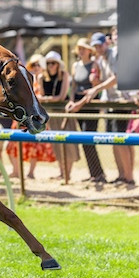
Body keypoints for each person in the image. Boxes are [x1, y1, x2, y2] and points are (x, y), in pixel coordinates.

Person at [83, 29, 136, 186]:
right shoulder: (101, 60)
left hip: (121, 102)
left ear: (106, 43)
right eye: (96, 46)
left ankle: (128, 177)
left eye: (100, 45)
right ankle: (122, 175)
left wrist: (96, 89)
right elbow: (106, 82)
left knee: (121, 141)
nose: (98, 49)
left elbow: (117, 78)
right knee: (114, 141)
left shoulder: (115, 54)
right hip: (110, 102)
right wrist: (95, 85)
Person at [5, 53, 56, 179]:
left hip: (34, 117)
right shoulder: (25, 78)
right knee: (11, 145)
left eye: (39, 64)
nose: (36, 67)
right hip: (20, 117)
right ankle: (16, 171)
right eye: (34, 64)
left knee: (34, 147)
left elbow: (41, 96)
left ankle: (30, 173)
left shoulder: (41, 79)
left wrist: (39, 80)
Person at [66, 38, 106, 183]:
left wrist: (95, 82)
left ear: (89, 50)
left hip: (89, 105)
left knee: (89, 138)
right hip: (78, 104)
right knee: (84, 139)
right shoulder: (76, 65)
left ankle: (98, 173)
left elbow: (97, 86)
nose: (81, 50)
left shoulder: (95, 64)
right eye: (79, 48)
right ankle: (94, 173)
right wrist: (71, 100)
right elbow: (74, 86)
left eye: (84, 48)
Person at [36, 51, 80, 181]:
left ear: (58, 64)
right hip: (51, 114)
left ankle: (67, 174)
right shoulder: (41, 77)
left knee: (69, 143)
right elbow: (41, 97)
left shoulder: (64, 75)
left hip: (64, 113)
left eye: (53, 63)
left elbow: (61, 96)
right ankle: (62, 173)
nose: (50, 66)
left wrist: (47, 99)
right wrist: (49, 99)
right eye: (48, 63)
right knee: (56, 143)